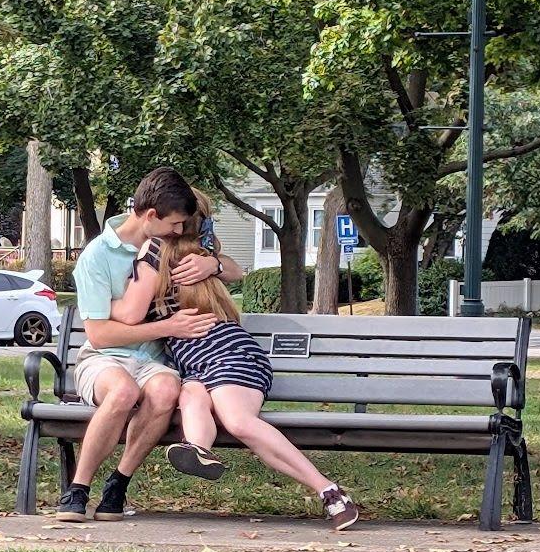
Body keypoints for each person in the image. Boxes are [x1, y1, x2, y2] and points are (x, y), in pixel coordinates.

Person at [110, 189, 359, 531]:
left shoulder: (164, 252)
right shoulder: (193, 250)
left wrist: (99, 304)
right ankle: (198, 449)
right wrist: (212, 262)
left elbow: (131, 313)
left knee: (239, 422)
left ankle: (330, 491)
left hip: (228, 352)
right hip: (194, 364)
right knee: (191, 397)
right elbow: (232, 269)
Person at [57, 167, 243, 522]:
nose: (180, 230)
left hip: (154, 361)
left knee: (165, 390)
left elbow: (235, 270)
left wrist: (212, 264)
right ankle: (78, 488)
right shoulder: (99, 255)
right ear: (152, 216)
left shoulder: (170, 246)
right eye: (175, 224)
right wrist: (168, 327)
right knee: (123, 392)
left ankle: (118, 484)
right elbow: (100, 335)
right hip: (104, 358)